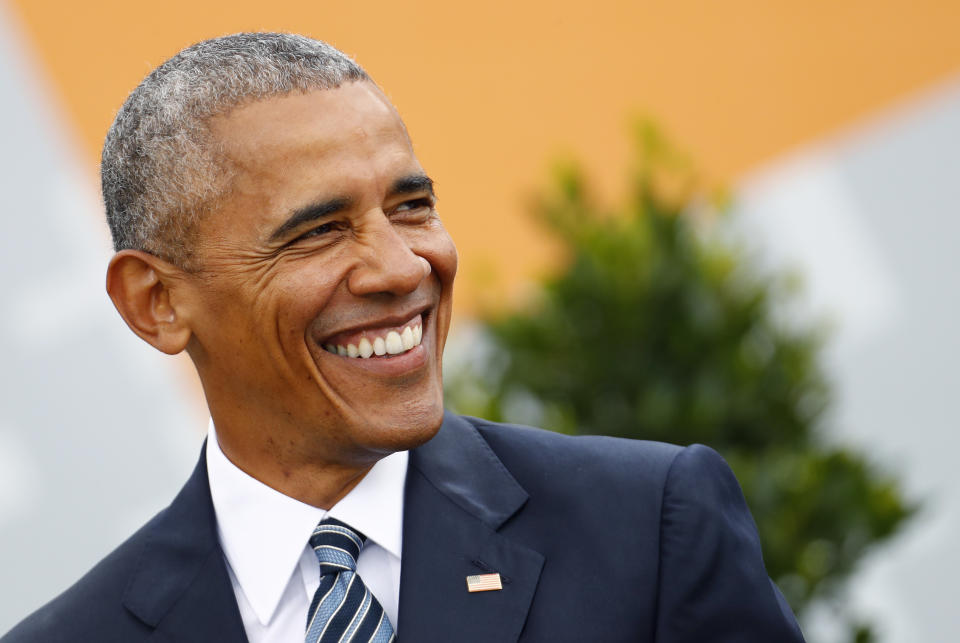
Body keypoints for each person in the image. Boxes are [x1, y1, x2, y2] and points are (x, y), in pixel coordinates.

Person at [2, 33, 804, 642]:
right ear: (156, 303)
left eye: (412, 206)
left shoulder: (650, 529)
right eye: (317, 231)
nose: (400, 266)